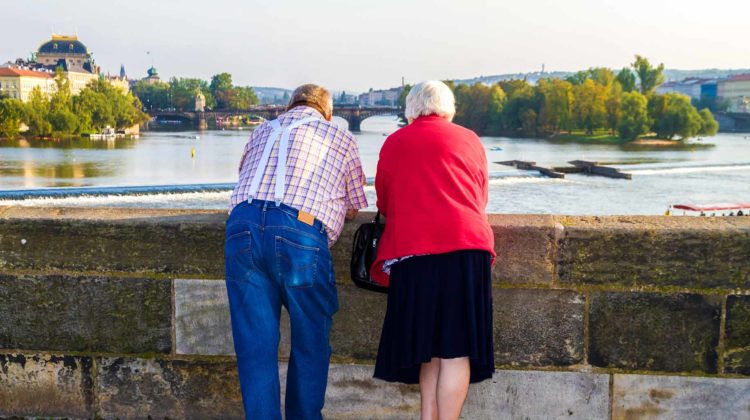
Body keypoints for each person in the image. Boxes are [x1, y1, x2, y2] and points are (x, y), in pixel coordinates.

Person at [225, 84, 368, 419]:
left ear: (289, 107)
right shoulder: (338, 136)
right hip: (299, 235)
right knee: (309, 344)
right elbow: (353, 206)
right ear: (327, 111)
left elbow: (245, 175)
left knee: (255, 349)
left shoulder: (262, 130)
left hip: (242, 226)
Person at [371, 81, 496, 420]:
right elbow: (481, 197)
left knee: (428, 348)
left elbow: (384, 201)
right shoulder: (470, 139)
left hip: (415, 252)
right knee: (455, 349)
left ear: (411, 109)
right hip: (467, 248)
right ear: (448, 108)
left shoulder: (395, 142)